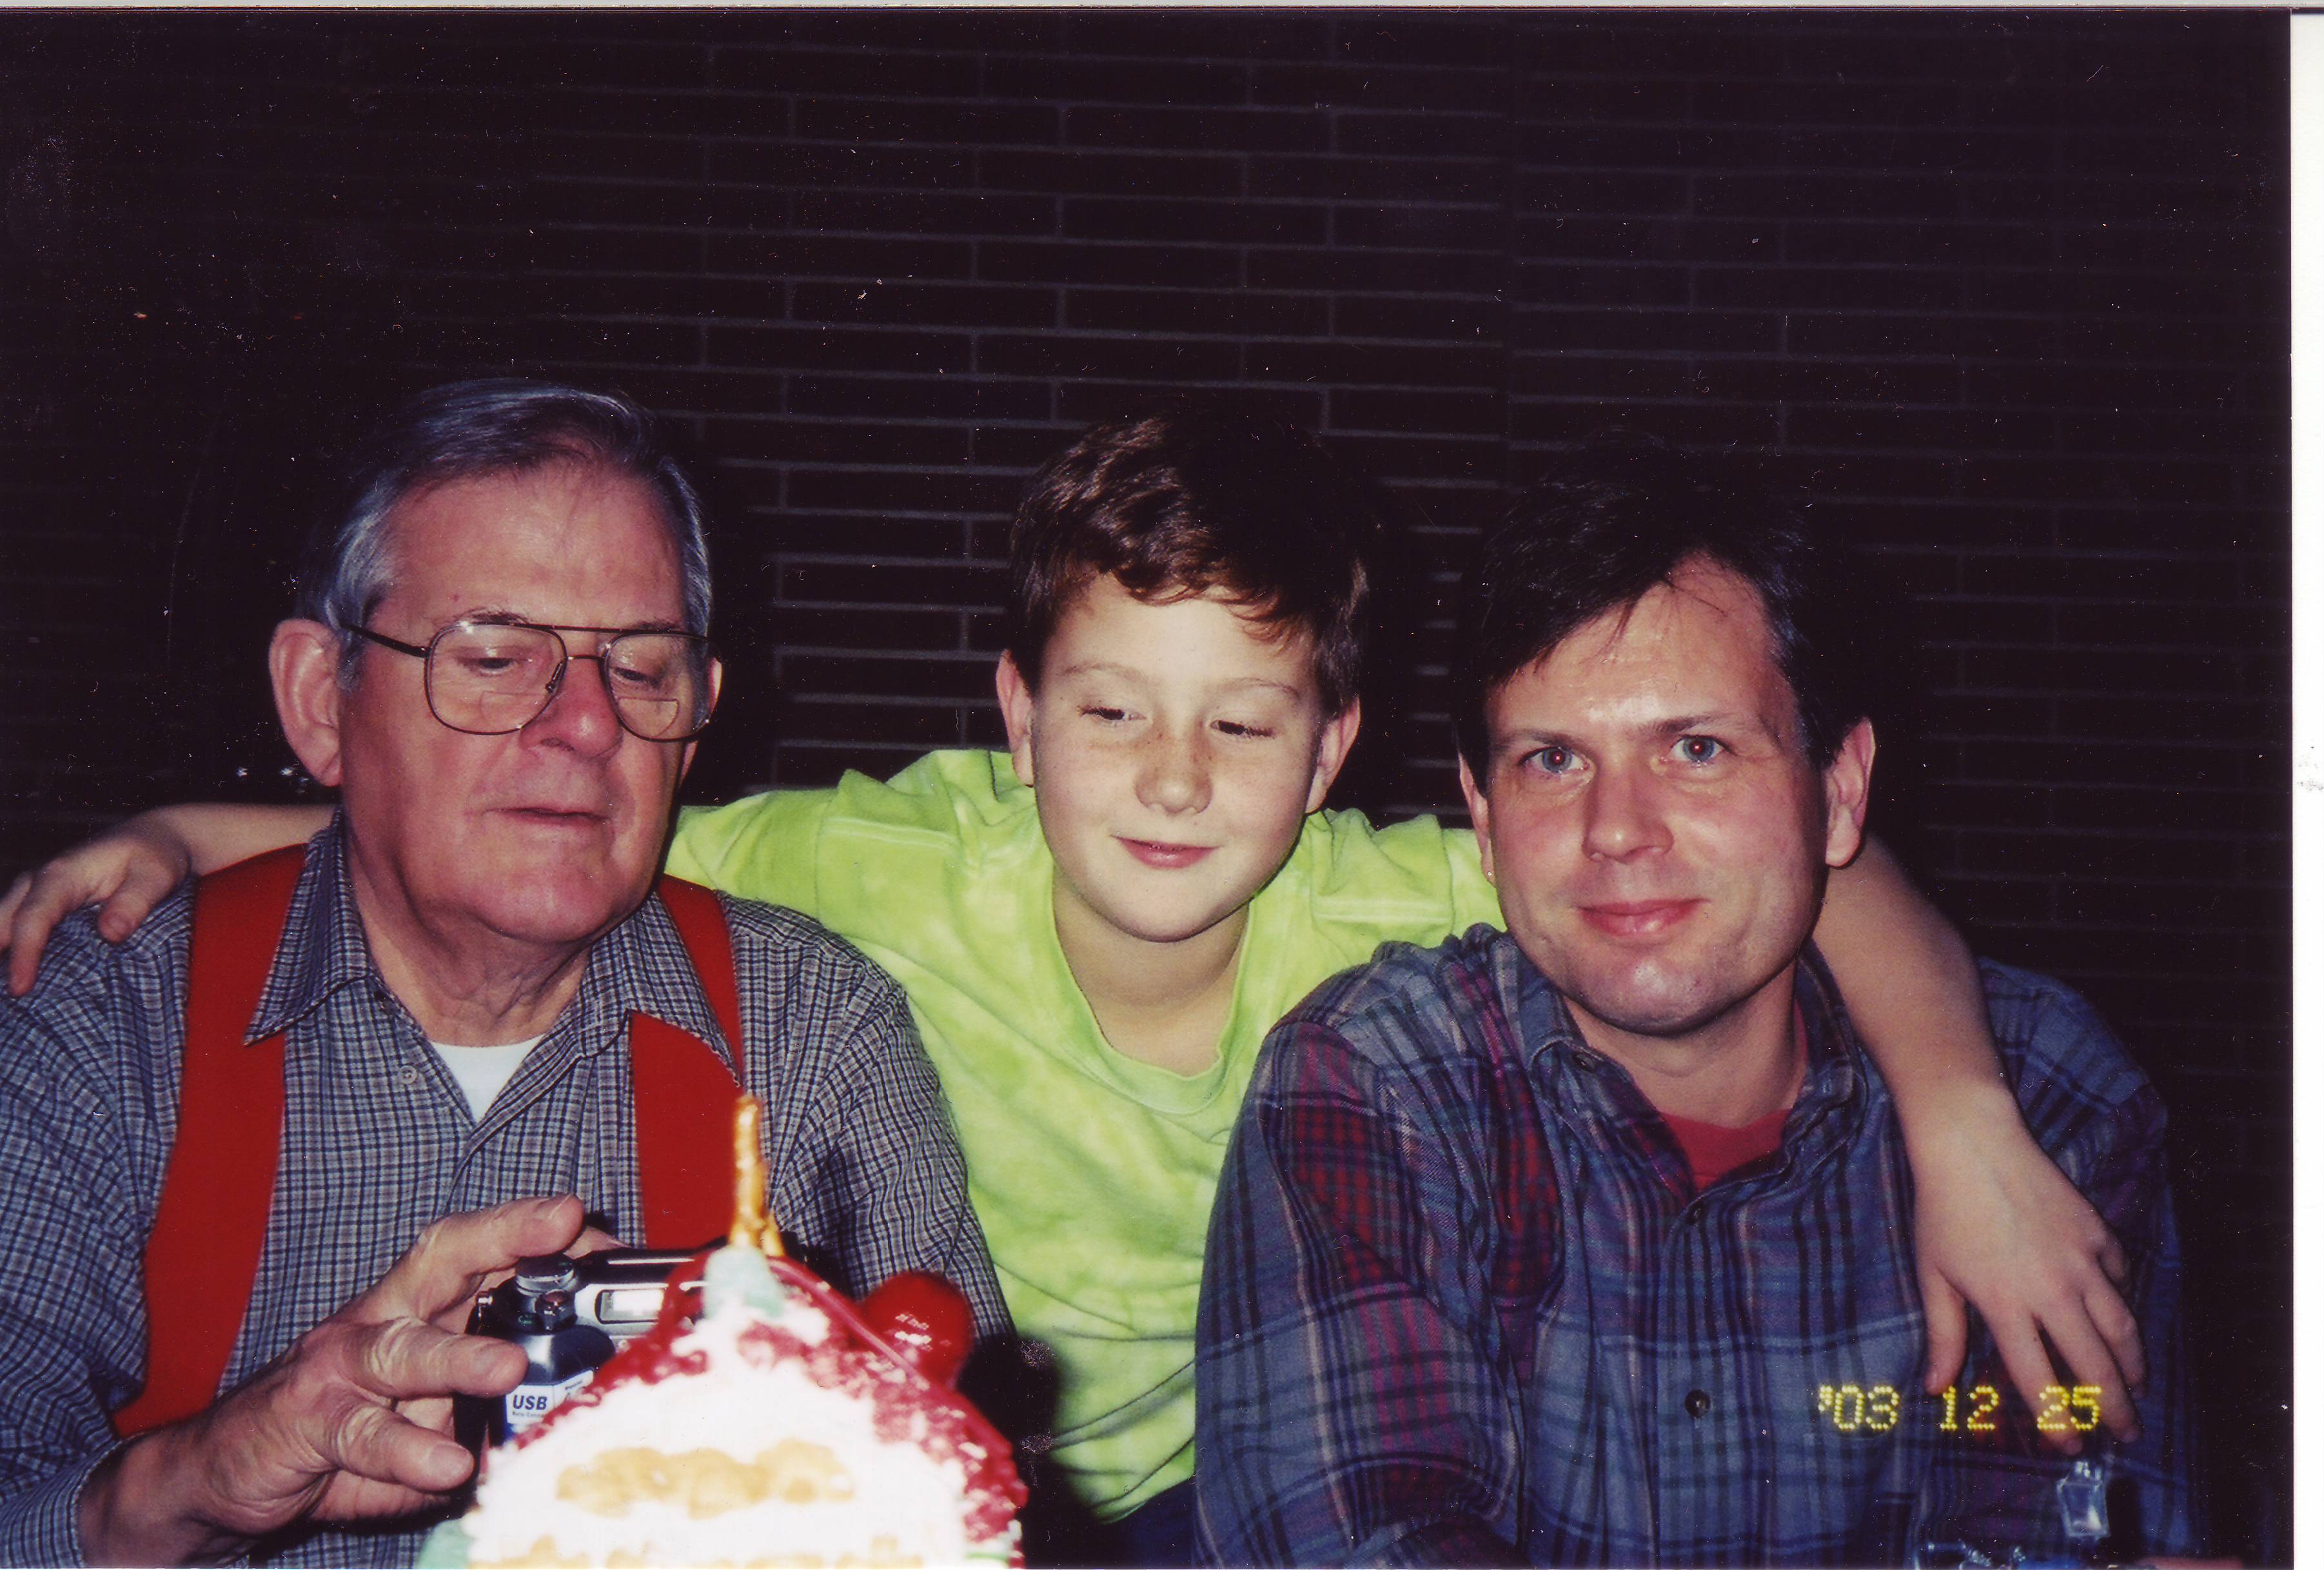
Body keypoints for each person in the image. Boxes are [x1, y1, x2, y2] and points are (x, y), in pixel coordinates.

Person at [4, 407, 2145, 1568]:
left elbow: (1746, 869)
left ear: (1329, 755)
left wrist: (1957, 1111)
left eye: (1241, 726)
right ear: (1013, 721)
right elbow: (556, 808)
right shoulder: (880, 864)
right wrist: (193, 841)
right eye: (1113, 712)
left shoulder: (1379, 903)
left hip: (1230, 1499)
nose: (1172, 779)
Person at [0, 380, 1004, 1567]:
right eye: (493, 655)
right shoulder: (108, 1020)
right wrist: (200, 1477)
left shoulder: (810, 1029)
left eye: (640, 666)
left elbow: (971, 1494)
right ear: (323, 701)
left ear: (696, 717)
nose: (585, 724)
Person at [1192, 438, 2203, 1565]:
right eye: (1553, 761)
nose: (1619, 828)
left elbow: (2049, 1535)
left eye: (1698, 747)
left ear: (1840, 788)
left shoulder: (2052, 1103)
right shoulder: (1375, 1084)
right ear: (1480, 813)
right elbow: (1369, 1538)